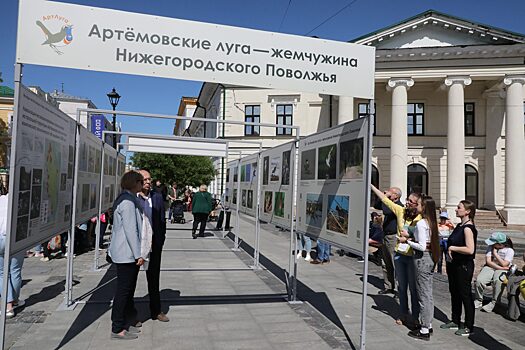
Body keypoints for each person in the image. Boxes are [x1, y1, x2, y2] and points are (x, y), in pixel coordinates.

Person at [371, 184, 422, 327]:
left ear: (417, 205)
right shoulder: (401, 211)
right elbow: (384, 200)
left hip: (412, 256)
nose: (407, 202)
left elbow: (422, 239)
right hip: (400, 254)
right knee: (402, 288)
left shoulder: (420, 218)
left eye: (410, 201)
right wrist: (371, 185)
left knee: (413, 288)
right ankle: (403, 314)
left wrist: (409, 239)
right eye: (407, 200)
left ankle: (416, 316)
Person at [108, 170, 145, 340]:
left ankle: (124, 322)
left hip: (122, 251)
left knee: (127, 290)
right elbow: (131, 230)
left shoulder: (126, 198)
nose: (143, 184)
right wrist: (138, 254)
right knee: (123, 291)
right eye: (141, 181)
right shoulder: (128, 202)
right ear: (135, 183)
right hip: (126, 253)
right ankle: (117, 328)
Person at [405, 196, 440, 341]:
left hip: (421, 259)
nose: (416, 206)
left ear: (424, 207)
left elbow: (421, 246)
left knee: (423, 295)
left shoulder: (420, 223)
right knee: (428, 293)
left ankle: (424, 328)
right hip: (431, 258)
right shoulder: (431, 222)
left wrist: (408, 241)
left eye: (419, 204)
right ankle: (428, 324)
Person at [440, 200, 477, 337]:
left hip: (463, 266)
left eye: (459, 207)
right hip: (454, 264)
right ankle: (455, 320)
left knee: (465, 295)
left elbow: (470, 249)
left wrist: (452, 247)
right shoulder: (459, 226)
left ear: (467, 211)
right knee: (454, 292)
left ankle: (468, 325)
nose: (456, 210)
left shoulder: (468, 228)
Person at [137, 169, 169, 322]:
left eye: (150, 179)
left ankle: (156, 311)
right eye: (145, 179)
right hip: (136, 246)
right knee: (130, 280)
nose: (148, 182)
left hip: (154, 244)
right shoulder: (132, 198)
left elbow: (162, 221)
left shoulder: (156, 197)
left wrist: (160, 240)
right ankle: (130, 312)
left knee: (154, 277)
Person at [372, 186, 403, 295]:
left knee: (395, 264)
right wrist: (381, 197)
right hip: (385, 235)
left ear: (396, 196)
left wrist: (385, 197)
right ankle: (388, 286)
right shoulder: (388, 203)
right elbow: (376, 206)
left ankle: (400, 290)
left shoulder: (398, 206)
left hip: (393, 237)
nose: (388, 192)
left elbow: (387, 211)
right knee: (385, 263)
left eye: (391, 192)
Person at [0, 192, 26, 319]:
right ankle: (14, 301)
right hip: (17, 238)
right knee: (15, 270)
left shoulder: (1, 200)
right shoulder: (22, 201)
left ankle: (8, 306)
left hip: (0, 238)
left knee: (1, 273)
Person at [474, 232, 514, 313]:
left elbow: (504, 263)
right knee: (479, 280)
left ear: (499, 244)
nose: (491, 244)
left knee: (498, 281)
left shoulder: (509, 250)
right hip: (491, 267)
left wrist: (495, 254)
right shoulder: (490, 247)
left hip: (502, 269)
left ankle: (494, 302)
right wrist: (500, 267)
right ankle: (479, 299)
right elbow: (488, 262)